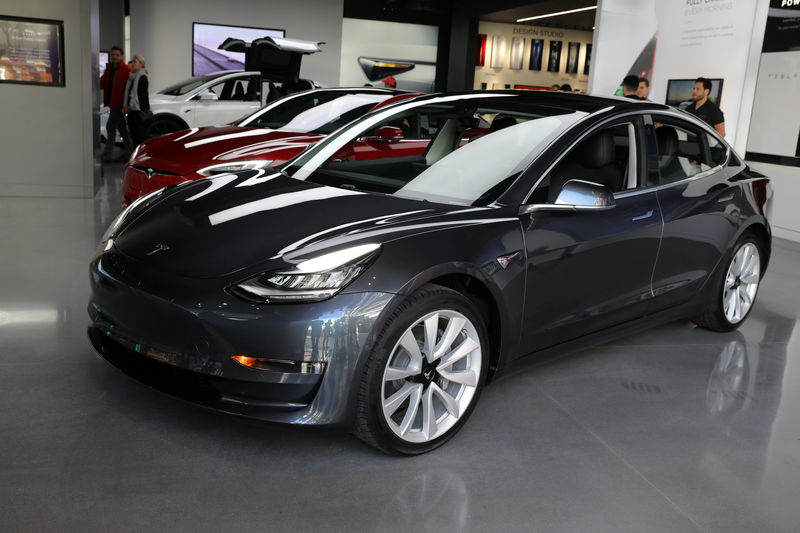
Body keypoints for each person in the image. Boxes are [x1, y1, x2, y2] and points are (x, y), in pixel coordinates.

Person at [100, 46, 133, 161]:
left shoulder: (126, 70)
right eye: (113, 54)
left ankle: (107, 154)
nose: (114, 57)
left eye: (117, 55)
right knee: (123, 129)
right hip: (113, 103)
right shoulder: (109, 69)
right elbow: (102, 84)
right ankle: (129, 153)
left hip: (119, 105)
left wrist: (126, 105)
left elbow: (129, 90)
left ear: (121, 56)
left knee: (110, 127)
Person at [123, 55, 152, 147]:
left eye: (135, 61)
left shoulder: (142, 77)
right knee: (134, 136)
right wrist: (126, 105)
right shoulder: (131, 77)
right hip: (132, 111)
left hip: (139, 112)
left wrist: (142, 110)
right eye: (132, 61)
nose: (132, 63)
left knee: (140, 137)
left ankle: (141, 157)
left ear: (141, 64)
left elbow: (143, 96)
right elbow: (128, 93)